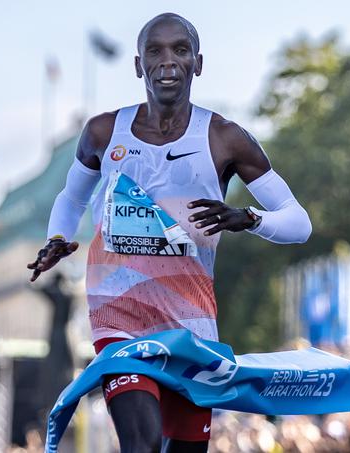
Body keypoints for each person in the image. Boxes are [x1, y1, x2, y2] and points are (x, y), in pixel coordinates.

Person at [28, 12, 311, 453]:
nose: (167, 61)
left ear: (197, 63)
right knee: (139, 445)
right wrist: (57, 238)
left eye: (180, 50)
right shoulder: (104, 132)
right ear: (139, 65)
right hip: (119, 316)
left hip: (191, 322)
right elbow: (71, 198)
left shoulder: (225, 139)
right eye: (154, 51)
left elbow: (298, 222)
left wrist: (249, 218)